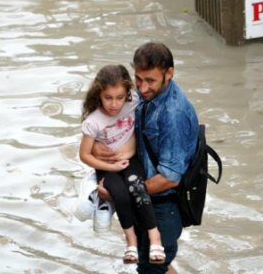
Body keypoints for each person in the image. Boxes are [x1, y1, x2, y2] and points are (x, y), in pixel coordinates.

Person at [95, 43, 199, 273]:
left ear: (169, 73)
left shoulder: (173, 114)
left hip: (164, 209)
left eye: (149, 81)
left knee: (150, 268)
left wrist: (121, 195)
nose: (141, 88)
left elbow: (170, 178)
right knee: (159, 267)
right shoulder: (148, 96)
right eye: (138, 79)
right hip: (148, 202)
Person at [79, 64, 166, 264]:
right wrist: (111, 167)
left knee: (137, 188)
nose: (114, 104)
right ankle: (131, 242)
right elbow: (84, 155)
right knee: (120, 194)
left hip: (130, 161)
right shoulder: (93, 122)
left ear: (127, 93)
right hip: (105, 166)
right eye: (108, 98)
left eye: (119, 97)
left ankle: (155, 237)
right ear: (98, 94)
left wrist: (129, 152)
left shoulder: (134, 100)